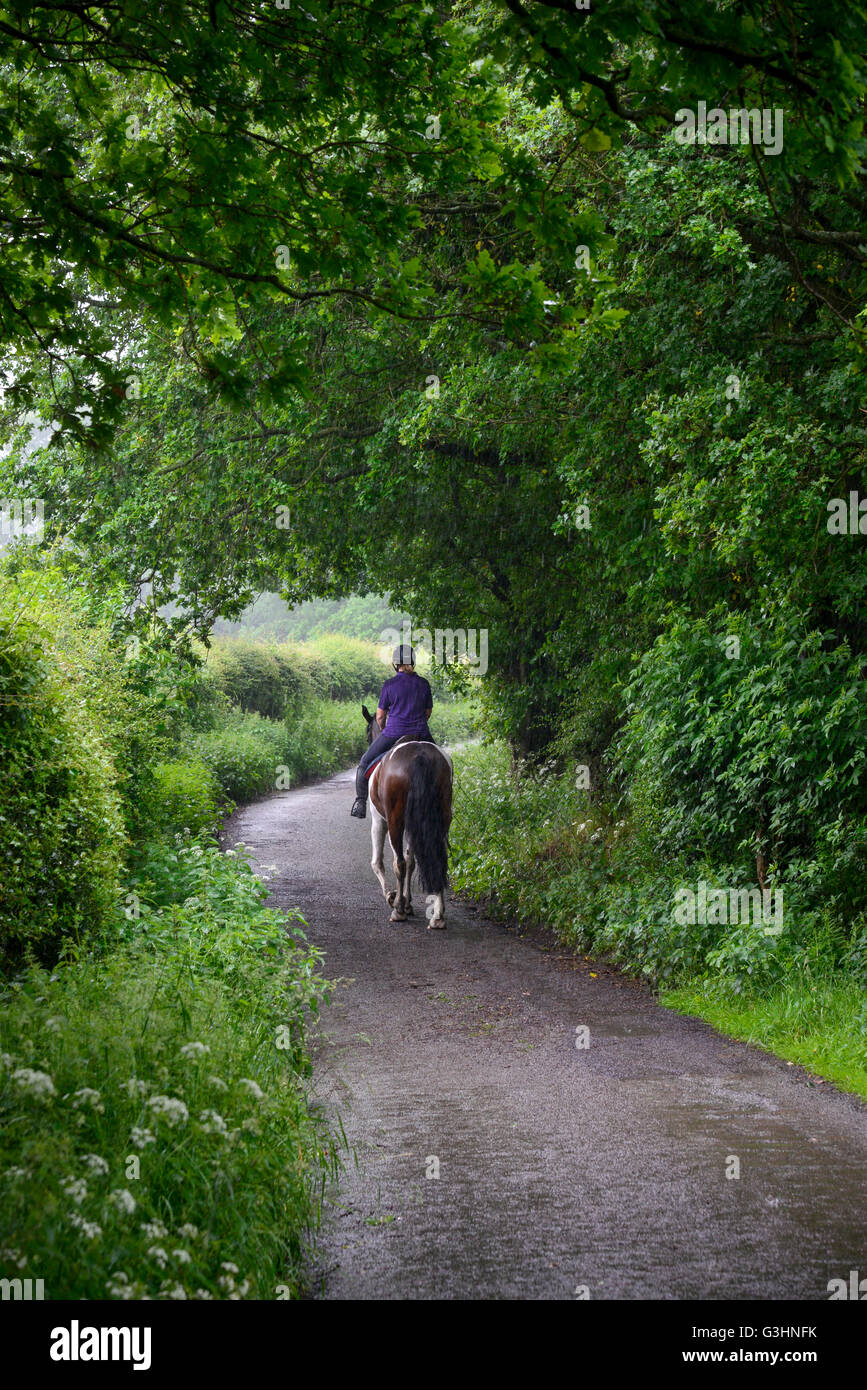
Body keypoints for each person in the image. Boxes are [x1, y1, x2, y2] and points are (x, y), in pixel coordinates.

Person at [350, 644, 434, 818]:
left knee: (364, 762)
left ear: (396, 664)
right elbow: (427, 713)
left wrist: (383, 728)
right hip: (421, 733)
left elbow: (380, 717)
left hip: (394, 733)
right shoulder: (424, 684)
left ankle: (360, 802)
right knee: (440, 762)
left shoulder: (389, 685)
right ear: (413, 662)